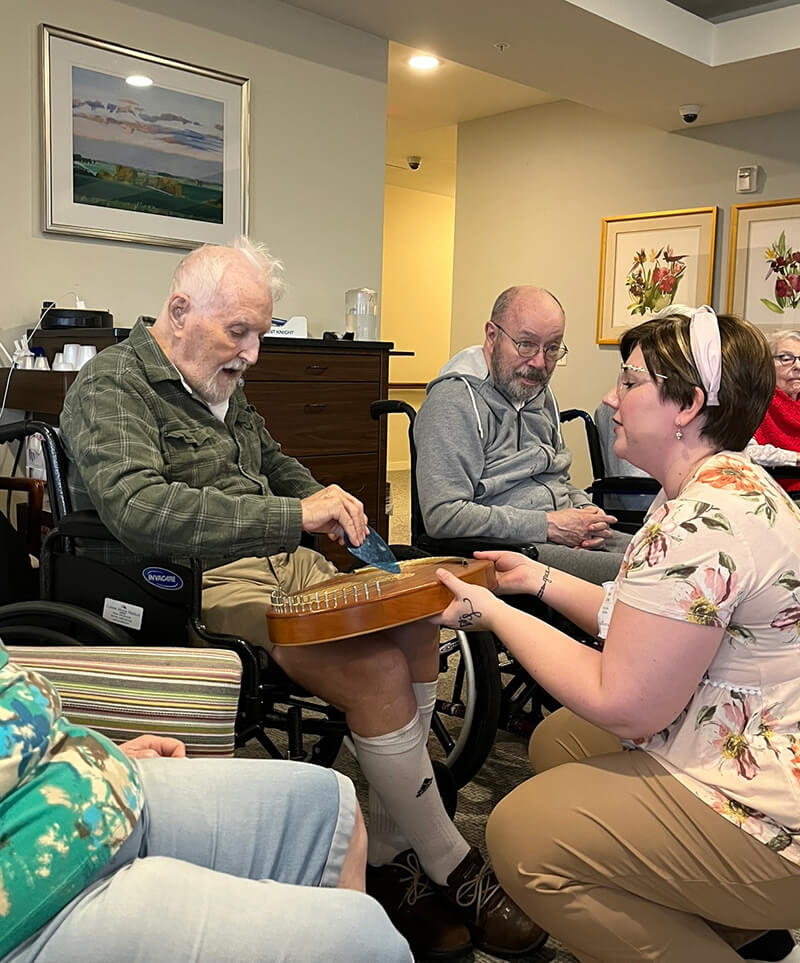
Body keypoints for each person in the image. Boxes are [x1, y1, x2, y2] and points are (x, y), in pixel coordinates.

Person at [58, 238, 542, 961]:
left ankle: (394, 866)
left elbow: (271, 461)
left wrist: (321, 496)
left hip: (281, 559)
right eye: (240, 332)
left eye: (260, 333)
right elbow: (140, 509)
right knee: (378, 668)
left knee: (412, 618)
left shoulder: (221, 382)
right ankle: (448, 865)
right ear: (180, 309)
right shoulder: (111, 385)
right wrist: (294, 517)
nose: (252, 353)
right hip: (199, 580)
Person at [433, 307, 800, 962]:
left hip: (777, 814)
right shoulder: (727, 483)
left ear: (687, 404)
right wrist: (534, 583)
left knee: (523, 833)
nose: (609, 398)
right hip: (754, 728)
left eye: (629, 381)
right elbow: (651, 620)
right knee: (562, 739)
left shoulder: (695, 523)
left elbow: (625, 699)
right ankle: (725, 922)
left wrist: (493, 613)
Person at [0, 638, 410, 962]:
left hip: (73, 778)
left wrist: (93, 749)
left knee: (331, 803)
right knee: (366, 940)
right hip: (28, 887)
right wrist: (288, 525)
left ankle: (416, 861)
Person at [414, 285, 630, 585]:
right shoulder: (453, 402)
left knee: (666, 556)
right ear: (492, 336)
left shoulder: (539, 394)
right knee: (649, 577)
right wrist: (547, 526)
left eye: (552, 348)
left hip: (559, 533)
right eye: (526, 344)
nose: (540, 363)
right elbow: (443, 516)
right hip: (514, 549)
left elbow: (559, 480)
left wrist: (585, 512)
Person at [746, 328, 800, 494]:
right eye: (785, 358)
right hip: (772, 493)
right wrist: (795, 458)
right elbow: (747, 451)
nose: (798, 366)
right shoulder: (755, 402)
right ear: (767, 365)